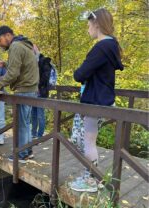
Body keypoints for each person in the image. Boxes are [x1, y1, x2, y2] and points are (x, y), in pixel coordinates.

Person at [69, 8, 123, 192]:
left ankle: (91, 180)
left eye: (89, 24)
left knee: (87, 142)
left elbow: (80, 74)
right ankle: (92, 175)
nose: (88, 28)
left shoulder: (102, 47)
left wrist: (80, 74)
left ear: (97, 24)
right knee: (78, 137)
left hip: (95, 102)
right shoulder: (110, 46)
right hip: (97, 100)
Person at [0, 26, 39, 163]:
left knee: (21, 124)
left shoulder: (16, 46)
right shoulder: (24, 44)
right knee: (26, 123)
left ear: (7, 35)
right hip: (31, 89)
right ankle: (28, 151)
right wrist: (5, 64)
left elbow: (13, 74)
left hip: (24, 90)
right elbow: (22, 66)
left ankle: (22, 154)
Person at [31, 44, 51, 139]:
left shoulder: (44, 61)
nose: (32, 50)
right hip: (32, 92)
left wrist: (38, 85)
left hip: (41, 92)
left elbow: (46, 77)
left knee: (40, 115)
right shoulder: (30, 61)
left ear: (37, 49)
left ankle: (40, 135)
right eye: (31, 48)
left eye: (34, 48)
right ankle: (33, 133)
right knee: (33, 114)